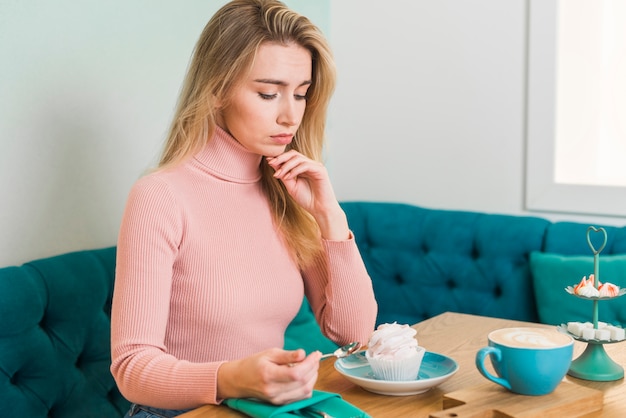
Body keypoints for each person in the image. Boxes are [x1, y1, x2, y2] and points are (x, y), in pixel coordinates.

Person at [110, 0, 378, 416]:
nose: (290, 115)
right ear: (216, 90)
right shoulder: (160, 196)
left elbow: (353, 334)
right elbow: (132, 370)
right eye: (268, 93)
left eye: (302, 94)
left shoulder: (288, 192)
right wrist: (233, 377)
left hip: (261, 410)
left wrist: (330, 217)